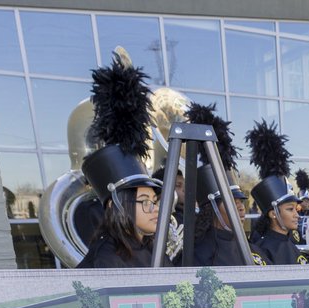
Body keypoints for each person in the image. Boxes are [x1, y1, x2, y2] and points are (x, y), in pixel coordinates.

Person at [76, 54, 168, 269]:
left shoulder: (149, 247)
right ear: (115, 205)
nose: (155, 209)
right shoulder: (107, 260)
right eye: (145, 201)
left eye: (154, 201)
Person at [185, 103, 250, 267]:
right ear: (211, 208)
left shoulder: (252, 249)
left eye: (241, 202)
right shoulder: (197, 257)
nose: (241, 208)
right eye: (233, 202)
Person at [246, 120, 306, 265]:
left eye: (296, 209)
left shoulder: (291, 245)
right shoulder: (262, 250)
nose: (297, 215)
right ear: (273, 214)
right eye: (290, 209)